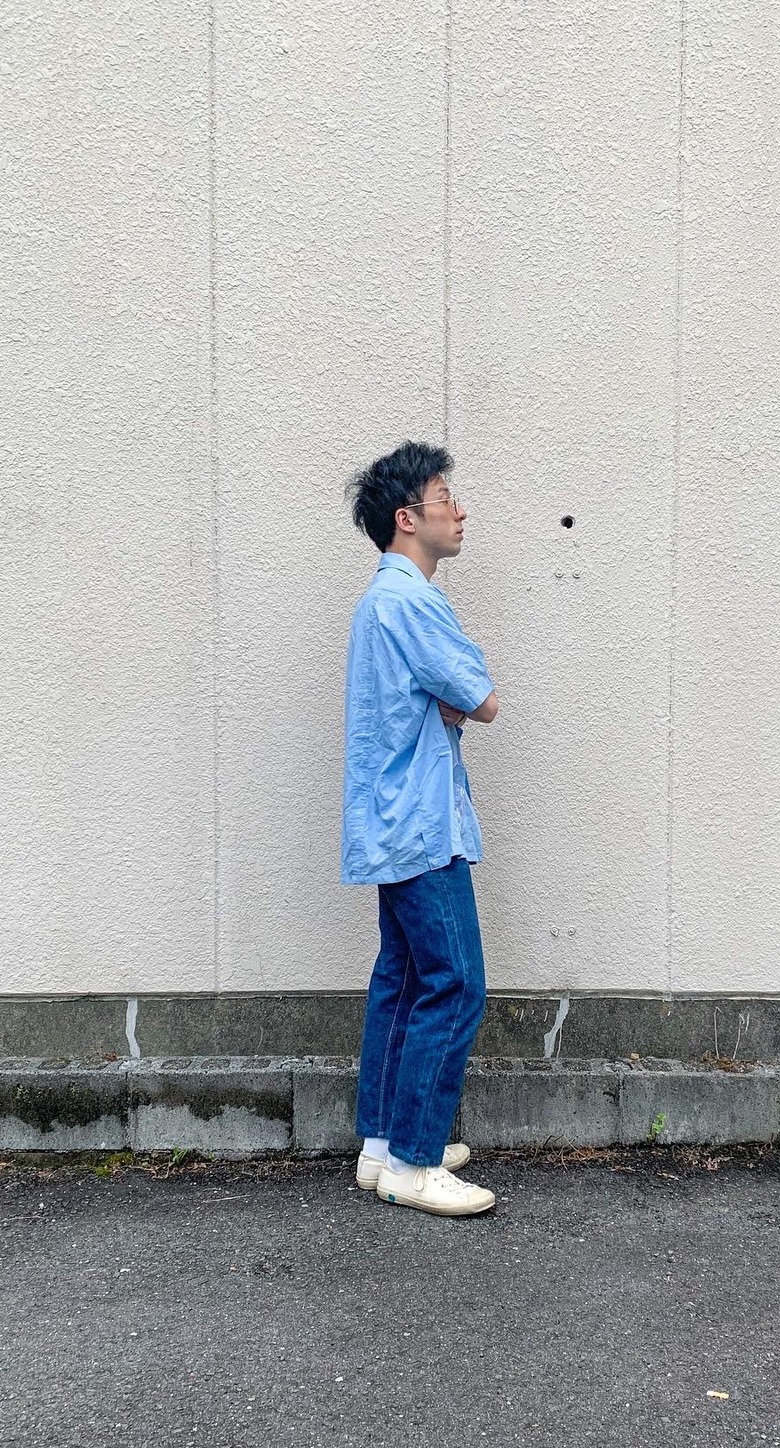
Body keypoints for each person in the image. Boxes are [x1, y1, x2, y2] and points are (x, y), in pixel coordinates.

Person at [341, 440, 500, 1217]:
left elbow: (454, 698)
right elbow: (482, 697)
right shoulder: (412, 603)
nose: (460, 512)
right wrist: (460, 698)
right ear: (408, 518)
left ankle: (384, 1145)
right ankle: (413, 1161)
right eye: (445, 498)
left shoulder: (381, 600)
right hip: (423, 824)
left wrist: (452, 700)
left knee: (402, 981)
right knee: (455, 984)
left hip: (393, 821)